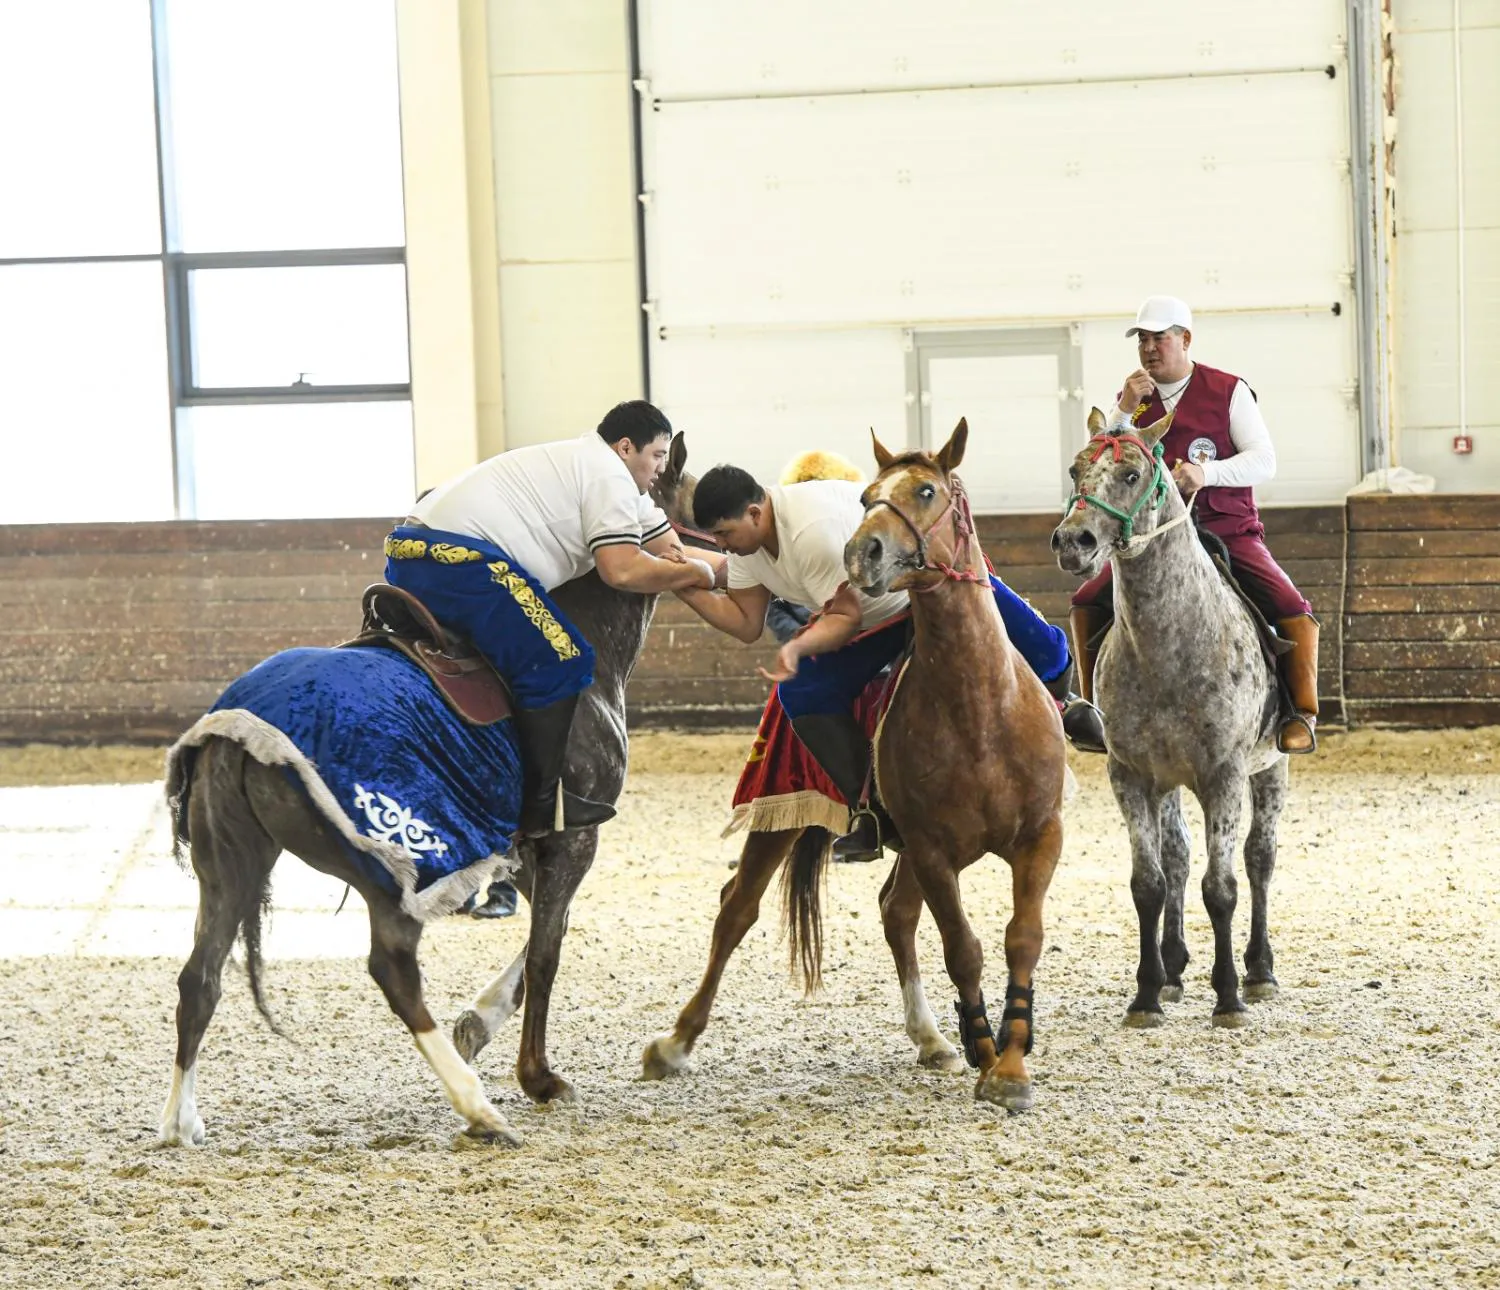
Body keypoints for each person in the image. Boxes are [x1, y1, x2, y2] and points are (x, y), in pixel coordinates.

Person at [677, 465, 1076, 862]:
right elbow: (746, 623)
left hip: (914, 596)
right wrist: (683, 586)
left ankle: (1067, 707)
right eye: (715, 536)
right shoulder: (747, 544)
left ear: (754, 513)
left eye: (724, 534)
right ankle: (868, 808)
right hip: (875, 620)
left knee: (1048, 650)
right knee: (801, 690)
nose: (720, 546)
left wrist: (797, 648)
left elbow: (844, 619)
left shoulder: (810, 532)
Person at [384, 400, 718, 835]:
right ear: (624, 448)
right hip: (460, 562)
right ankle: (542, 807)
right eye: (656, 455)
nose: (660, 467)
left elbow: (672, 550)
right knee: (564, 658)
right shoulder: (608, 478)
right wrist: (695, 574)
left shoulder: (608, 477)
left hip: (415, 552)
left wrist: (750, 575)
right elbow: (621, 570)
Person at [1069, 295, 1320, 753]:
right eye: (1142, 340)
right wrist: (1123, 410)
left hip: (1224, 528)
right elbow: (1108, 459)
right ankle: (1093, 709)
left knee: (1287, 601)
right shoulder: (1133, 400)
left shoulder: (1228, 390)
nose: (1148, 349)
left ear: (1185, 340)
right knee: (1088, 599)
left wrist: (1208, 473)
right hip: (1150, 537)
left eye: (1158, 338)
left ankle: (1299, 712)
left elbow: (1264, 460)